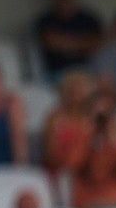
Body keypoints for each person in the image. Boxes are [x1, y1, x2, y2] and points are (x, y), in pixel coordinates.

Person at [62, 88, 116, 208]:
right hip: (86, 205)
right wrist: (89, 134)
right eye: (98, 114)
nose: (102, 120)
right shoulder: (82, 134)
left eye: (107, 113)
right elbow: (71, 164)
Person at [33, 0, 104, 82]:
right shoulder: (45, 19)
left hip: (87, 71)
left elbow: (98, 44)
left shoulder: (90, 18)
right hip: (55, 74)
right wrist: (83, 44)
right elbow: (52, 42)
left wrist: (66, 43)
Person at [41, 69, 95, 201]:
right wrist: (71, 161)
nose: (75, 97)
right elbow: (50, 154)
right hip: (59, 173)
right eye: (72, 92)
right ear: (64, 93)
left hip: (87, 173)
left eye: (80, 92)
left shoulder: (93, 120)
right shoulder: (55, 118)